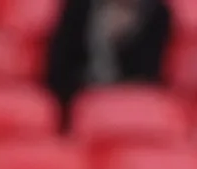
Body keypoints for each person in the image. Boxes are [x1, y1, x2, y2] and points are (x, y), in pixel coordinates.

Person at [45, 0, 174, 130]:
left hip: (130, 104)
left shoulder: (157, 13)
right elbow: (59, 69)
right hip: (80, 98)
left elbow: (149, 76)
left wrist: (122, 43)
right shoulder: (79, 6)